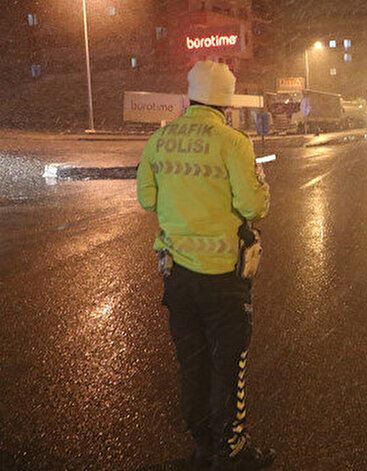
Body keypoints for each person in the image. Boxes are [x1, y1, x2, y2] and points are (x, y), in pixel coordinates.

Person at [136, 60, 274, 470]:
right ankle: (232, 450)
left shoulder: (159, 141)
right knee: (229, 362)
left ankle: (201, 446)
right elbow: (253, 206)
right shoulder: (233, 142)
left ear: (189, 97)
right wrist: (260, 186)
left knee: (192, 363)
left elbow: (147, 199)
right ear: (226, 105)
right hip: (223, 278)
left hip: (177, 276)